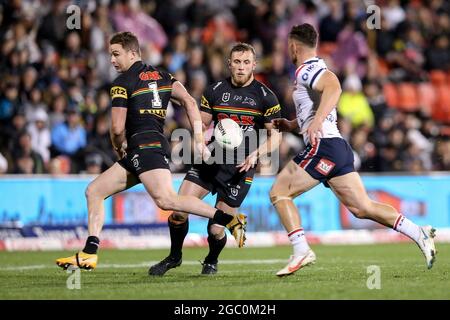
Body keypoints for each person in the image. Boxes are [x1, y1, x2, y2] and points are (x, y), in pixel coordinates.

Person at [56, 32, 246, 271]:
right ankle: (89, 252)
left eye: (116, 54)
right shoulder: (163, 75)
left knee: (167, 200)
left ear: (133, 53)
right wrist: (198, 136)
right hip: (148, 148)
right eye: (110, 55)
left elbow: (116, 127)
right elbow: (188, 100)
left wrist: (117, 147)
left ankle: (228, 219)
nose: (112, 60)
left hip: (145, 148)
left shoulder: (122, 83)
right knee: (94, 191)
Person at [270, 24, 437, 277]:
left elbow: (334, 87)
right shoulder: (311, 70)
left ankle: (301, 249)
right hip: (336, 147)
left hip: (323, 147)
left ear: (293, 46)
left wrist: (316, 122)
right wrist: (292, 124)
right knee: (362, 208)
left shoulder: (307, 70)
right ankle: (418, 232)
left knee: (279, 192)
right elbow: (314, 110)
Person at [150, 43, 282, 276]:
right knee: (178, 210)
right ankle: (174, 257)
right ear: (229, 64)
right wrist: (200, 141)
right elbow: (200, 121)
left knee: (216, 229)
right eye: (237, 62)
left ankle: (211, 260)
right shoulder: (215, 91)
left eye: (246, 62)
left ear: (254, 64)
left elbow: (276, 136)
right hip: (210, 161)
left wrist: (256, 154)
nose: (241, 67)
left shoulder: (266, 97)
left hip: (239, 169)